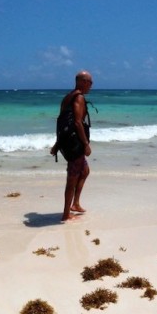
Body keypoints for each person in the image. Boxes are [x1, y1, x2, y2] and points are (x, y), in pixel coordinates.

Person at [50, 70, 93, 222]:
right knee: (72, 178)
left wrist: (57, 144)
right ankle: (66, 214)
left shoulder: (67, 97)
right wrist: (86, 144)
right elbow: (76, 122)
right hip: (75, 144)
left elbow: (62, 123)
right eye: (89, 82)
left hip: (68, 142)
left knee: (85, 171)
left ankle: (75, 204)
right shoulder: (79, 97)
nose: (91, 86)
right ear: (82, 81)